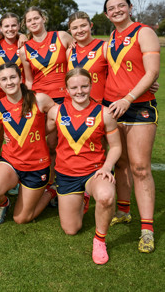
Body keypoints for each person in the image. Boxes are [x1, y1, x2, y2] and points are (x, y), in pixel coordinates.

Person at [102, 0, 160, 254]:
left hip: (137, 107)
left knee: (139, 167)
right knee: (121, 163)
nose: (116, 11)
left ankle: (147, 229)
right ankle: (124, 211)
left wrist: (129, 97)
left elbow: (152, 72)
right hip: (112, 107)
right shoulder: (110, 39)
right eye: (111, 8)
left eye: (120, 6)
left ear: (129, 7)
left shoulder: (143, 32)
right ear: (106, 15)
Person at [47, 68, 122, 264]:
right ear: (66, 89)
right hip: (66, 175)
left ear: (91, 86)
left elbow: (115, 146)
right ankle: (83, 199)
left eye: (84, 86)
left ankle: (100, 240)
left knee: (106, 196)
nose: (79, 91)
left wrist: (107, 167)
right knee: (71, 229)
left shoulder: (104, 113)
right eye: (74, 87)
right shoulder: (56, 111)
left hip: (93, 172)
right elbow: (35, 129)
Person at [0, 63, 56, 226]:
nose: (9, 82)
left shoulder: (40, 99)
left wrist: (43, 132)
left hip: (37, 166)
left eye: (13, 77)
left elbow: (58, 117)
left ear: (20, 78)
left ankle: (50, 191)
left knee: (21, 219)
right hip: (11, 163)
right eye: (4, 79)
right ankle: (4, 203)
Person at [20, 6, 73, 104]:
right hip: (39, 98)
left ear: (43, 19)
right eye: (29, 20)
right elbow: (29, 80)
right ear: (26, 24)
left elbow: (80, 53)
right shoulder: (24, 50)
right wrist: (28, 100)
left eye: (36, 18)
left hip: (64, 95)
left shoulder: (61, 36)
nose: (33, 22)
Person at [66, 11, 108, 102]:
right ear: (70, 31)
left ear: (91, 25)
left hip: (99, 105)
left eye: (83, 25)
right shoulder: (69, 51)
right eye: (75, 28)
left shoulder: (104, 47)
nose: (80, 30)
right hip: (74, 105)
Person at [0, 13, 24, 100]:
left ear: (18, 26)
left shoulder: (24, 43)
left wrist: (22, 36)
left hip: (20, 92)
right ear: (0, 28)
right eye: (6, 26)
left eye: (13, 25)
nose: (10, 29)